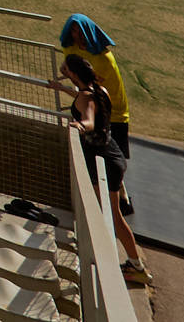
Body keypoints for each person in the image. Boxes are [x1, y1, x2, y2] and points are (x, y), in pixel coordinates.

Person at [56, 54, 152, 286]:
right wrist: (61, 87)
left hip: (104, 161)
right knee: (110, 213)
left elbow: (88, 118)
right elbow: (85, 101)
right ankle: (131, 262)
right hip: (112, 154)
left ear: (75, 73)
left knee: (113, 217)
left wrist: (79, 125)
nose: (62, 69)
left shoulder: (86, 98)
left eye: (66, 68)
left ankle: (136, 266)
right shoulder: (99, 91)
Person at [58, 13, 135, 213]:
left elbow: (92, 88)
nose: (76, 35)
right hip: (94, 108)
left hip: (112, 112)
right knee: (105, 155)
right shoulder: (70, 50)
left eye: (80, 31)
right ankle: (120, 199)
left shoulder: (104, 59)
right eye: (73, 30)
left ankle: (120, 199)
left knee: (112, 154)